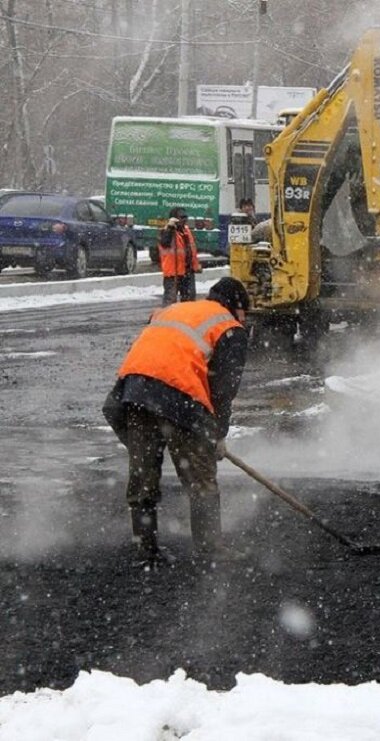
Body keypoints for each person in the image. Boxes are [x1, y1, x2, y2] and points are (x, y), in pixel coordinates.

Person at [102, 278, 251, 567]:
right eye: (245, 313)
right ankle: (209, 550)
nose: (245, 320)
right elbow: (223, 390)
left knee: (144, 474)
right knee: (201, 478)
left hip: (134, 391)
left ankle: (145, 549)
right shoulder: (228, 327)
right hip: (179, 395)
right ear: (237, 307)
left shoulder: (175, 310)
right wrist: (217, 435)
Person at [159, 207, 201, 305]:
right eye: (181, 217)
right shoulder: (167, 231)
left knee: (189, 303)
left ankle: (186, 320)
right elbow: (165, 243)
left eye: (185, 217)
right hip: (173, 273)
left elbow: (192, 251)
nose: (184, 220)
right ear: (174, 219)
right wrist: (170, 227)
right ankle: (168, 319)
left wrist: (195, 266)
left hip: (187, 272)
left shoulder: (187, 231)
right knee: (170, 302)